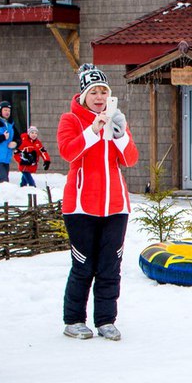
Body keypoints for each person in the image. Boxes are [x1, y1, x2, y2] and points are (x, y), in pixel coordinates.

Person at [57, 64, 139, 341]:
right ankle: (74, 319)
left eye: (104, 91)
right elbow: (68, 152)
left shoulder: (116, 119)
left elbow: (130, 160)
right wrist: (92, 131)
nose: (100, 97)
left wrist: (120, 135)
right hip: (81, 206)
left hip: (115, 206)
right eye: (94, 92)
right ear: (83, 95)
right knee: (83, 265)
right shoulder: (71, 120)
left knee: (110, 266)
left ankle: (106, 320)